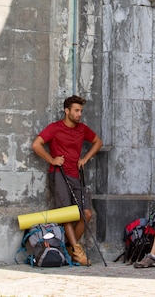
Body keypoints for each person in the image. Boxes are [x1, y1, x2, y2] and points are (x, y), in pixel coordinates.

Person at [32, 95, 103, 266]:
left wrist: (84, 159)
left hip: (76, 175)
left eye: (81, 111)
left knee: (86, 213)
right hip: (59, 174)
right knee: (66, 214)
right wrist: (52, 160)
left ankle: (66, 247)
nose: (80, 114)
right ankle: (77, 250)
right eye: (76, 111)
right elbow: (36, 144)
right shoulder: (55, 128)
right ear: (67, 111)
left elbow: (97, 142)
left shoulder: (82, 129)